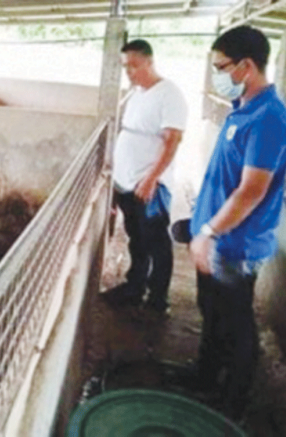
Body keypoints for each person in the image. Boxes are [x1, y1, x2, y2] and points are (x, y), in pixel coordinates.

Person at [188, 25, 286, 421]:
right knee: (211, 311)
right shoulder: (243, 109)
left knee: (236, 323)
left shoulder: (269, 118)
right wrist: (200, 226)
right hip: (214, 237)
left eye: (221, 66)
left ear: (246, 66)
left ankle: (232, 405)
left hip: (235, 244)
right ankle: (205, 380)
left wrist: (211, 232)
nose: (217, 74)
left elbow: (251, 191)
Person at [103, 39, 188, 314]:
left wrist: (152, 178)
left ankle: (157, 298)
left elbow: (172, 140)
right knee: (135, 237)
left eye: (134, 66)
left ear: (150, 62)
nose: (129, 72)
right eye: (125, 66)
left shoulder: (169, 94)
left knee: (156, 241)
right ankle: (134, 286)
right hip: (128, 181)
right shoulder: (137, 93)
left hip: (150, 184)